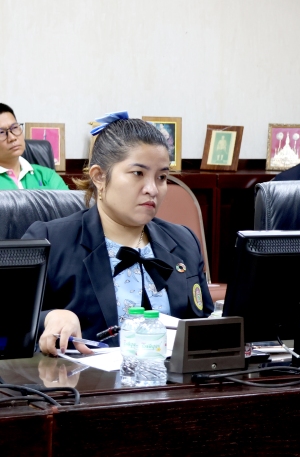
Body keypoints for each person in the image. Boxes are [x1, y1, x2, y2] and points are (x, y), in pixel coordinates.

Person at [24, 113, 213, 356]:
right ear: (99, 177)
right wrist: (49, 317)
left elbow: (203, 323)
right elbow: (10, 320)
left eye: (162, 177)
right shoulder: (51, 240)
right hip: (83, 379)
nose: (152, 189)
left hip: (171, 378)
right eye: (138, 173)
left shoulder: (183, 241)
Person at [0, 103, 68, 190]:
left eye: (15, 127)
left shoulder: (47, 176)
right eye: (1, 132)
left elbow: (67, 199)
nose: (12, 138)